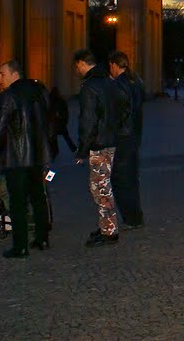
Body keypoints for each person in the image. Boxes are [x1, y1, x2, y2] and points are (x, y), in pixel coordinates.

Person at [0, 59, 55, 258]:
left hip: (17, 158)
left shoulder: (9, 96)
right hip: (38, 156)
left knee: (17, 202)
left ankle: (20, 246)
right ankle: (42, 238)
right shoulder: (40, 90)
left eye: (2, 74)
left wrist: (1, 150)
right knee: (38, 196)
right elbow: (50, 121)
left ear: (14, 74)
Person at [73, 48, 127, 247]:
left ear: (81, 63)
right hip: (110, 140)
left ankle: (109, 231)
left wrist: (82, 148)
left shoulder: (90, 86)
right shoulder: (109, 82)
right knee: (102, 186)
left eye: (77, 66)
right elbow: (123, 108)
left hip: (98, 143)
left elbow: (87, 120)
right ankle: (106, 225)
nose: (77, 70)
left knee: (100, 187)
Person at [108, 50, 145, 230]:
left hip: (122, 137)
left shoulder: (118, 85)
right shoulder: (136, 82)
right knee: (132, 178)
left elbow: (119, 113)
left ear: (114, 65)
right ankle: (136, 216)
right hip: (134, 136)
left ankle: (130, 218)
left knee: (120, 179)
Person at [49, 86, 77, 153]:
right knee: (66, 136)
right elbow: (65, 112)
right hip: (60, 122)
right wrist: (64, 120)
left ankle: (54, 151)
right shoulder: (61, 101)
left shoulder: (50, 101)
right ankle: (73, 148)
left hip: (53, 123)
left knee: (53, 137)